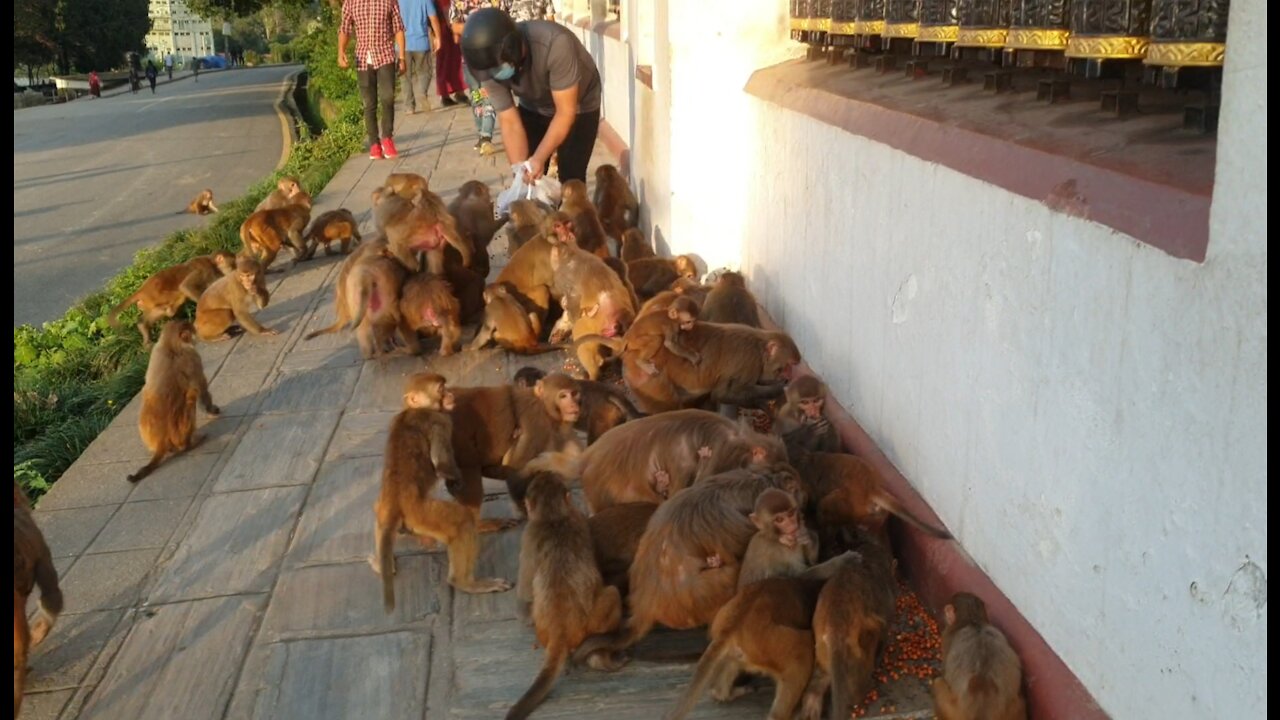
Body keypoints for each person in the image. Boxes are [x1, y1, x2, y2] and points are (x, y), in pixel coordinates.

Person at [461, 8, 601, 183]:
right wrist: (520, 171)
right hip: (534, 104)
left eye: (498, 67)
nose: (494, 74)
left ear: (513, 48)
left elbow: (565, 112)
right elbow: (509, 121)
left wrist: (540, 157)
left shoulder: (555, 44)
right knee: (528, 174)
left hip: (580, 102)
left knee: (571, 176)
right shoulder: (487, 67)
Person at [339, 0, 408, 160]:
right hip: (363, 58)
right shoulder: (351, 3)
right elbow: (345, 29)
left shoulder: (389, 2)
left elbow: (398, 28)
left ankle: (387, 138)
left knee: (388, 97)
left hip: (385, 56)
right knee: (369, 103)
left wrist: (402, 57)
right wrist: (341, 52)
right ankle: (374, 144)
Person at [450, 1, 502, 155]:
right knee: (476, 97)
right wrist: (477, 30)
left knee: (488, 95)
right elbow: (454, 25)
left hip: (491, 58)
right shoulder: (458, 2)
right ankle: (481, 133)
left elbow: (501, 21)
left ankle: (486, 136)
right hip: (469, 58)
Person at [398, 0, 442, 114]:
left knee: (404, 77)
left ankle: (409, 107)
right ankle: (423, 93)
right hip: (421, 42)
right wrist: (438, 37)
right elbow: (433, 18)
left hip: (402, 44)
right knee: (425, 72)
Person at [433, 0, 469, 106]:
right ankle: (453, 93)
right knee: (452, 62)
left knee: (450, 62)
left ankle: (454, 92)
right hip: (446, 29)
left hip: (444, 28)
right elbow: (446, 9)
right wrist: (452, 26)